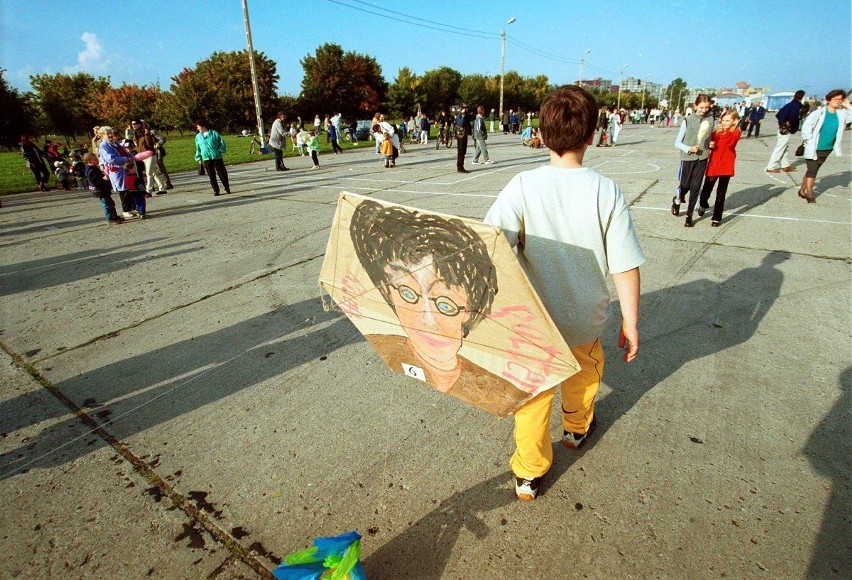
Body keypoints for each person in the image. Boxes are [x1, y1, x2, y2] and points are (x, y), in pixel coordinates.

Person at [484, 85, 645, 501]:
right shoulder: (606, 191)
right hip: (584, 320)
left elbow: (491, 244)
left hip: (533, 323)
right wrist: (631, 320)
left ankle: (528, 473)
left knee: (533, 400)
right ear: (593, 135)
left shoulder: (521, 185)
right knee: (584, 377)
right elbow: (625, 263)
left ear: (541, 133)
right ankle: (576, 428)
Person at [349, 199, 529, 418]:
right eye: (407, 293)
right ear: (388, 291)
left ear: (471, 309)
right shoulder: (386, 345)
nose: (427, 320)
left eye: (446, 304)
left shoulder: (497, 386)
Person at [686, 109, 741, 227]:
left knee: (721, 192)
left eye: (727, 120)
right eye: (723, 120)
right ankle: (703, 204)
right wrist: (711, 143)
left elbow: (730, 143)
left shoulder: (735, 132)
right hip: (714, 164)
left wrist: (723, 131)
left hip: (726, 166)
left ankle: (717, 217)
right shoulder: (717, 132)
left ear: (734, 121)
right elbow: (711, 143)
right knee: (706, 189)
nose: (724, 122)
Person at [797, 89, 852, 203]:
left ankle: (802, 190)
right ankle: (810, 193)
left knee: (812, 170)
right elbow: (806, 127)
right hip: (814, 147)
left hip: (827, 148)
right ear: (828, 100)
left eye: (840, 99)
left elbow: (850, 118)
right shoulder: (819, 113)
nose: (837, 101)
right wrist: (809, 140)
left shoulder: (841, 114)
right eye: (835, 99)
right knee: (812, 171)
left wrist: (848, 106)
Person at [671, 94, 714, 216]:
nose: (704, 110)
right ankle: (677, 200)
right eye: (701, 107)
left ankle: (689, 216)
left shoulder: (710, 119)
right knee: (685, 185)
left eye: (706, 107)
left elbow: (712, 136)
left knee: (695, 186)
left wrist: (711, 144)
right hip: (687, 158)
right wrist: (688, 148)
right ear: (695, 106)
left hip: (702, 158)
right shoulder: (687, 120)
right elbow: (677, 142)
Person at [765, 91, 805, 174]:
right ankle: (770, 166)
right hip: (786, 130)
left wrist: (782, 122)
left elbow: (778, 115)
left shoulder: (789, 105)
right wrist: (788, 123)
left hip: (782, 129)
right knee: (780, 148)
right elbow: (793, 116)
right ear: (802, 97)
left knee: (784, 147)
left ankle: (785, 165)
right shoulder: (797, 106)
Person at [82, 152, 123, 225]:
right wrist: (103, 178)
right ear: (89, 161)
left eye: (96, 159)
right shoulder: (91, 170)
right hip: (100, 190)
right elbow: (94, 180)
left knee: (111, 203)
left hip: (104, 189)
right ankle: (109, 219)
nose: (97, 160)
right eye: (95, 160)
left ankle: (114, 216)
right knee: (106, 204)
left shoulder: (94, 168)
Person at [194, 119, 231, 196]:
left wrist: (219, 151)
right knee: (211, 175)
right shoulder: (198, 137)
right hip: (206, 158)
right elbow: (198, 148)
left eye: (198, 127)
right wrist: (199, 158)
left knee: (222, 174)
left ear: (203, 126)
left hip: (216, 157)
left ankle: (226, 187)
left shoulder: (214, 133)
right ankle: (216, 190)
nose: (198, 129)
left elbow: (222, 143)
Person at [136, 122, 168, 195]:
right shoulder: (138, 134)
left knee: (149, 173)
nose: (135, 126)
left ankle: (148, 191)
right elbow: (137, 144)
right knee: (154, 173)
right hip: (143, 156)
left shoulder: (150, 133)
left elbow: (150, 144)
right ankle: (162, 188)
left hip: (151, 155)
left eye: (136, 124)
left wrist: (148, 135)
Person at [148, 124, 174, 190]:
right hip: (147, 154)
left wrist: (158, 144)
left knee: (160, 168)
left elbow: (163, 138)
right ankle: (152, 186)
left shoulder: (152, 132)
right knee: (150, 170)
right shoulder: (139, 134)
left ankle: (168, 183)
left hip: (156, 152)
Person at [455, 104, 473, 173]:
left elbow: (472, 117)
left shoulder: (466, 115)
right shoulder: (459, 116)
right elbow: (461, 123)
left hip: (464, 135)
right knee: (461, 151)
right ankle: (459, 168)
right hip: (460, 136)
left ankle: (461, 166)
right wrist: (463, 115)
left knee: (463, 152)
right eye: (465, 108)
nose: (466, 110)